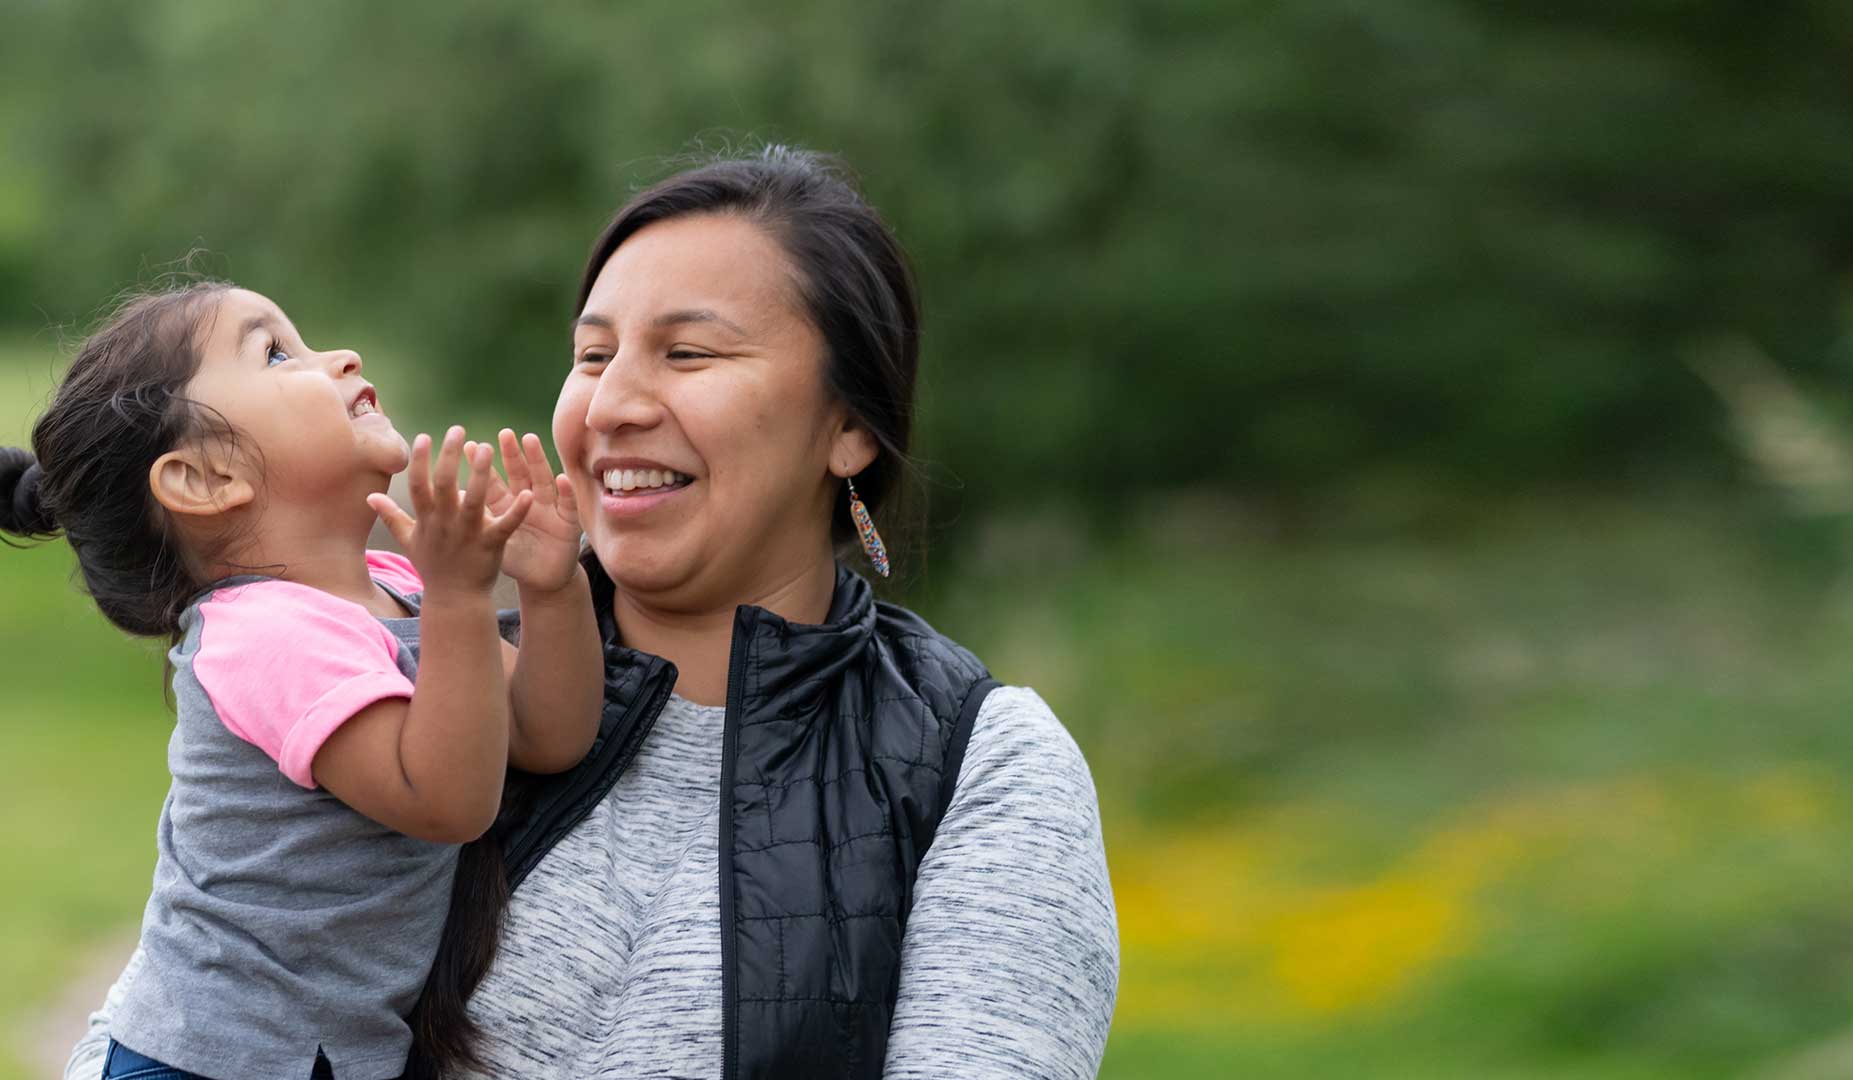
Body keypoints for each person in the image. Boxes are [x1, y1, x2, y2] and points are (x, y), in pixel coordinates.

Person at [69, 146, 1119, 1080]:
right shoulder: (443, 667)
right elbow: (193, 991)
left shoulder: (979, 763)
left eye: (690, 353)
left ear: (848, 428)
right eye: (592, 355)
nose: (614, 402)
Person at [7, 285, 603, 1079]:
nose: (341, 357)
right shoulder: (261, 633)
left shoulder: (398, 588)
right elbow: (448, 801)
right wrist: (463, 597)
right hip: (210, 1060)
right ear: (204, 479)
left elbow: (547, 735)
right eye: (277, 353)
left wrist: (550, 589)